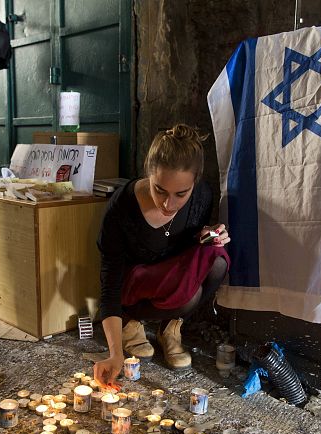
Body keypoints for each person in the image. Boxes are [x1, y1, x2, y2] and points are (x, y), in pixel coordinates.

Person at [93, 125, 231, 389]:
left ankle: (170, 328)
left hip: (169, 279)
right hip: (135, 285)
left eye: (181, 194)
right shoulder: (122, 207)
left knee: (217, 255)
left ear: (195, 183)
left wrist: (204, 235)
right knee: (187, 294)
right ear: (148, 173)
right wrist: (115, 354)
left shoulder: (202, 196)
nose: (169, 204)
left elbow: (184, 244)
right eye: (159, 190)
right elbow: (110, 282)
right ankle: (130, 323)